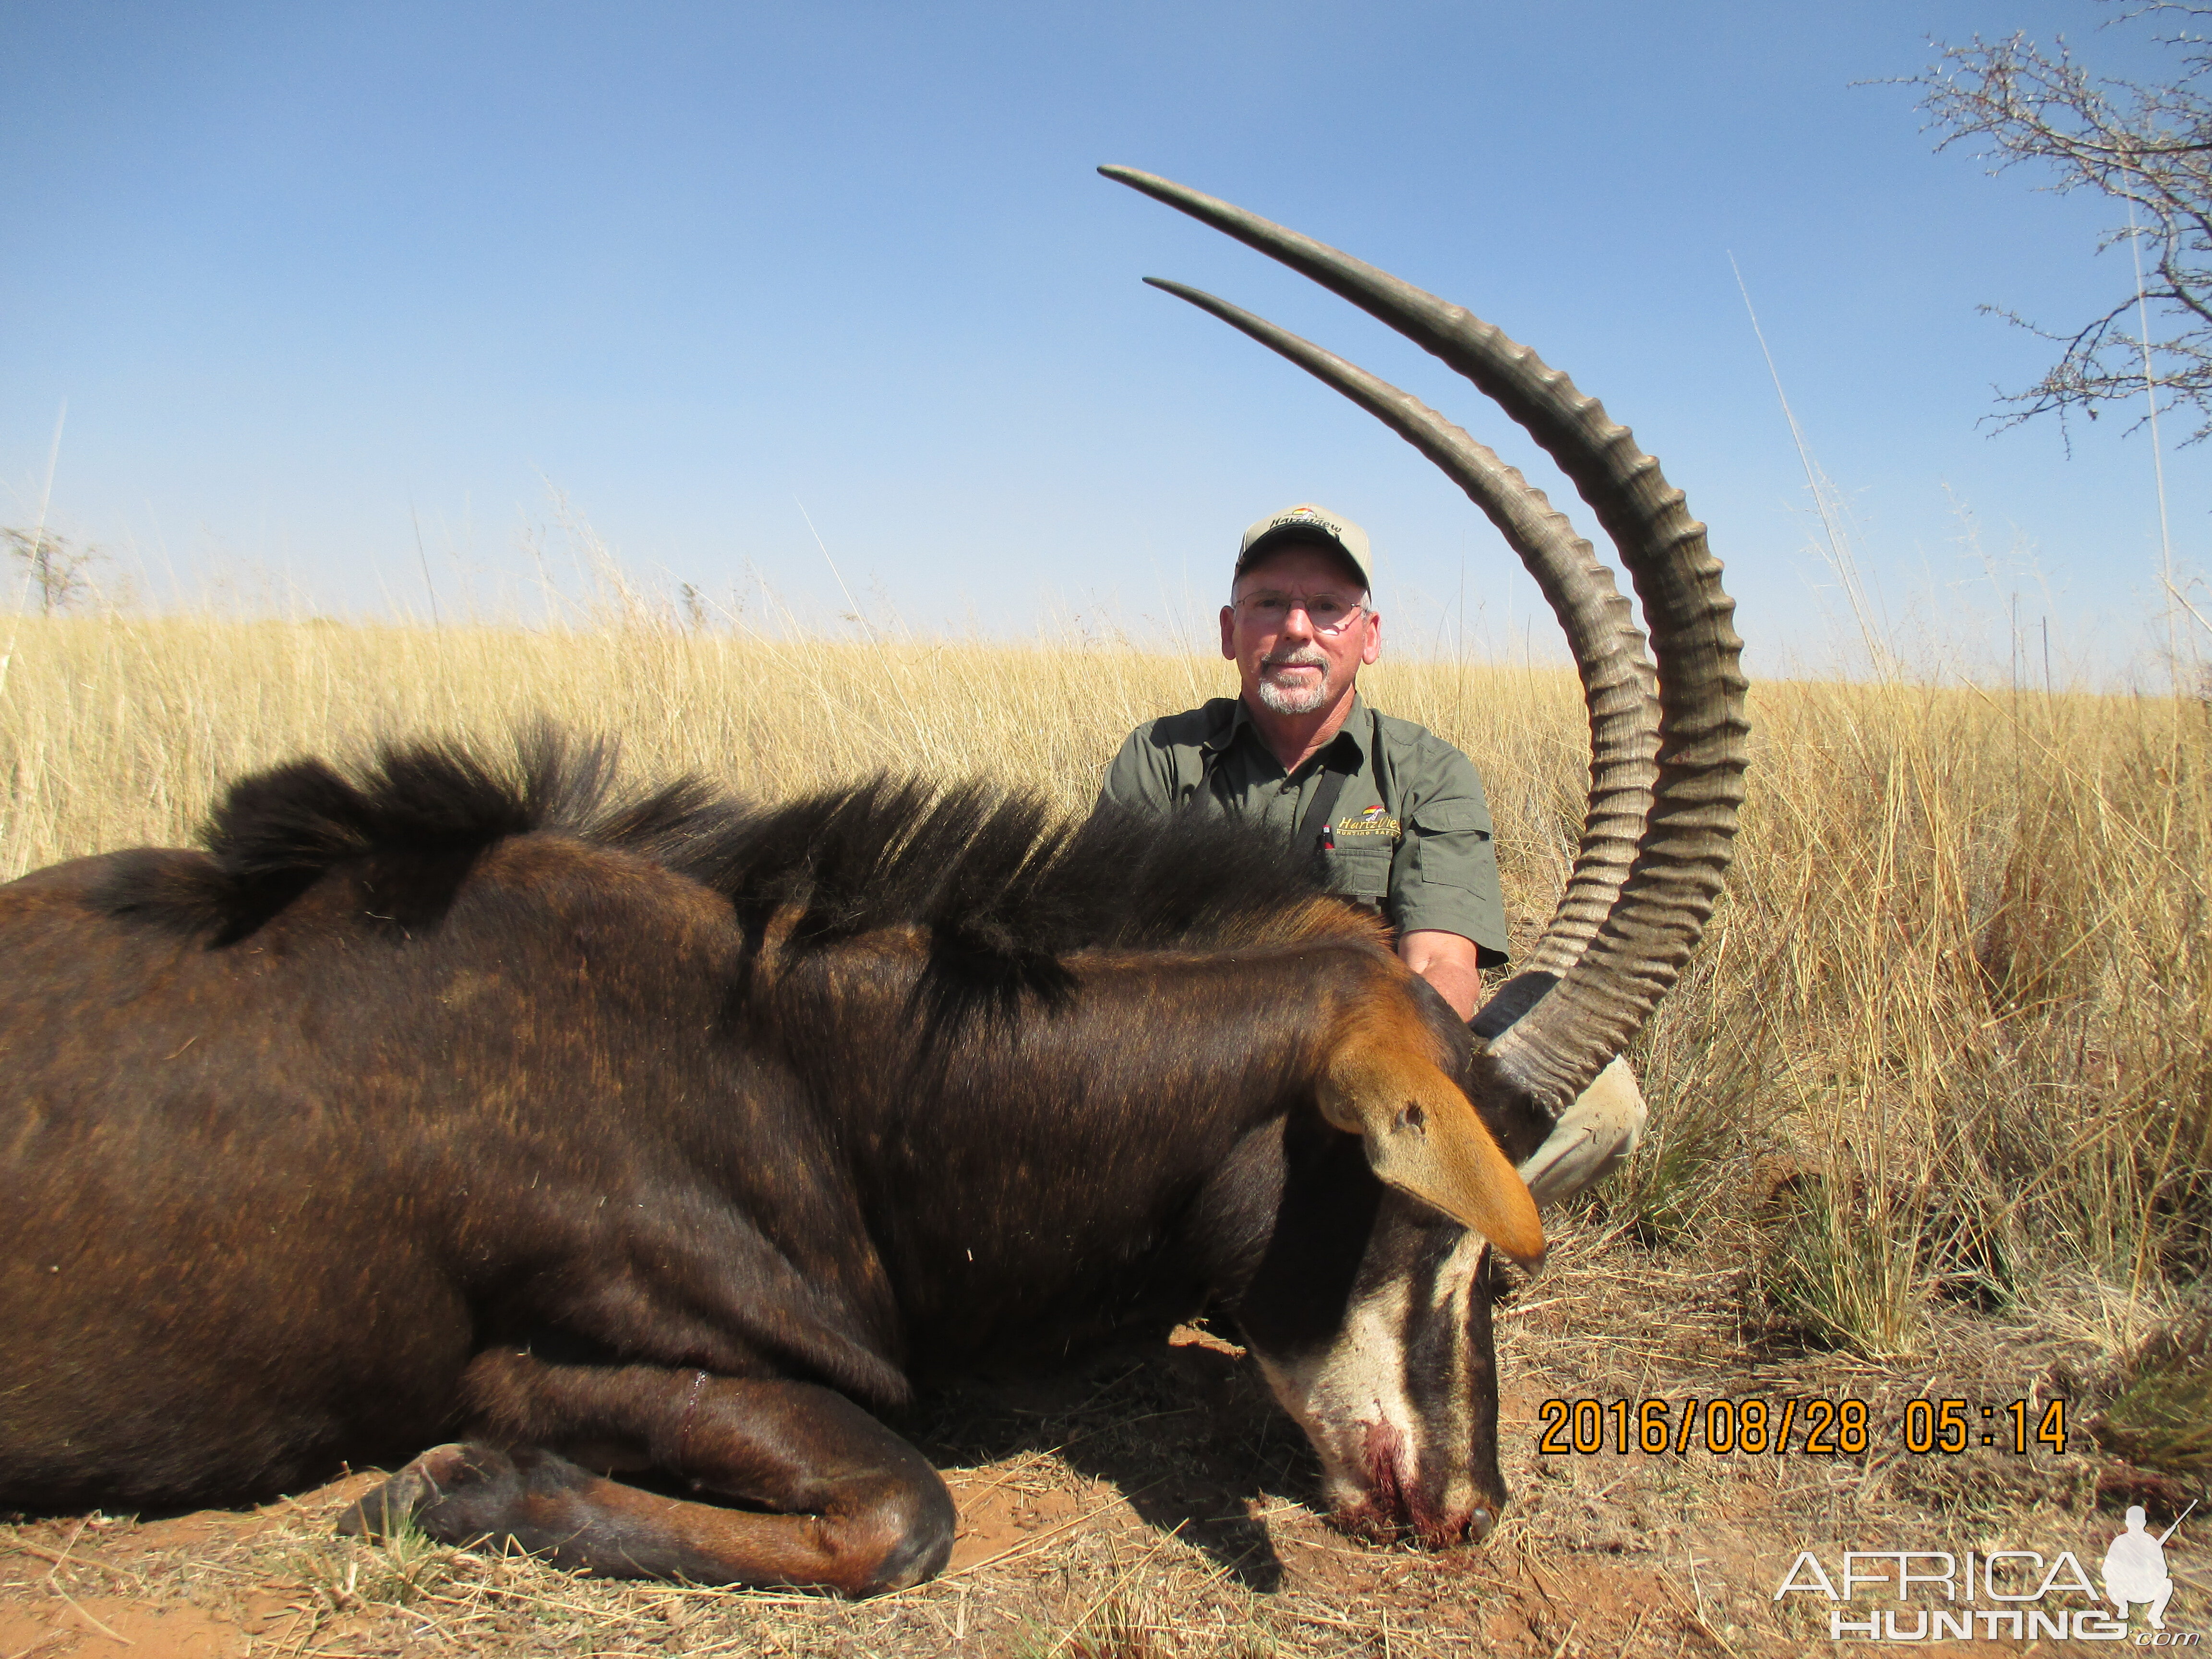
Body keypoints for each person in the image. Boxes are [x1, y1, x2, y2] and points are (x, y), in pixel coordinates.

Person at [1098, 504, 1645, 1199]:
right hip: (1193, 1084)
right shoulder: (1159, 758)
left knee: (1605, 1101)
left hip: (1355, 1086)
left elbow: (1442, 966)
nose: (1298, 628)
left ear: (1370, 635)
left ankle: (1418, 1250)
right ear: (1231, 631)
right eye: (1269, 603)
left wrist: (1360, 1076)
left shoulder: (1429, 771)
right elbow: (1113, 961)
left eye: (1328, 607)